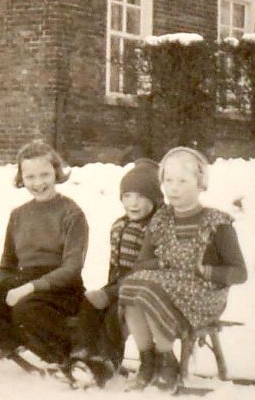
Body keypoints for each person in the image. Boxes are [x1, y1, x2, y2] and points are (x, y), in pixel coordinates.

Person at [119, 148, 247, 391]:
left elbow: (240, 273)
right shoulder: (161, 220)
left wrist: (206, 271)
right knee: (132, 285)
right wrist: (164, 264)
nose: (173, 188)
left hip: (202, 297)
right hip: (165, 289)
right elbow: (141, 264)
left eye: (182, 181)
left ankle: (167, 361)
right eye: (168, 181)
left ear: (200, 184)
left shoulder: (216, 223)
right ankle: (149, 360)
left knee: (149, 288)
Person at [0, 141, 89, 374]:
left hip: (60, 286)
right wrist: (1, 292)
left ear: (56, 172)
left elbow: (72, 267)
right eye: (30, 177)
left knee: (25, 310)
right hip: (23, 279)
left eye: (45, 174)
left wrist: (30, 288)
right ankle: (23, 346)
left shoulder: (72, 213)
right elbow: (7, 262)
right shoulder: (19, 215)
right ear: (21, 178)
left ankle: (64, 358)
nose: (38, 183)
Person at [68, 158, 162, 388]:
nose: (134, 203)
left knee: (115, 315)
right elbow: (114, 264)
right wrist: (108, 289)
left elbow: (152, 268)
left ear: (155, 199)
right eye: (127, 196)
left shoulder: (156, 228)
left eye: (141, 196)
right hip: (117, 285)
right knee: (90, 303)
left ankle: (108, 361)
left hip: (143, 290)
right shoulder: (119, 225)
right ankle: (82, 355)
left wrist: (111, 294)